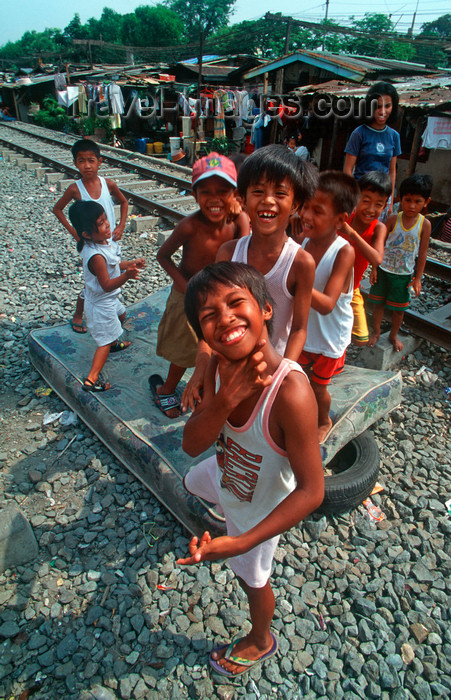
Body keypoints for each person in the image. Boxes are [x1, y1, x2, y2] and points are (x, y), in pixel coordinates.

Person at [178, 261, 324, 678]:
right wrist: (223, 400)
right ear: (203, 332)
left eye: (235, 302)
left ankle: (261, 639)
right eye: (209, 316)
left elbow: (312, 491)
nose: (224, 318)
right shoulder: (217, 365)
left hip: (259, 507)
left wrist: (240, 543)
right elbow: (191, 444)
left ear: (266, 308)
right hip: (231, 474)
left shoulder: (290, 394)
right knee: (193, 478)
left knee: (252, 579)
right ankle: (226, 520)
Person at [181, 145, 318, 413]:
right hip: (228, 364)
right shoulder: (229, 253)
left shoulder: (300, 263)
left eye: (280, 193)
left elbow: (300, 328)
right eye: (258, 192)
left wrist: (284, 375)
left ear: (297, 204)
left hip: (271, 367)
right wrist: (201, 368)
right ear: (242, 199)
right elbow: (209, 317)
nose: (268, 201)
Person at [149, 152, 249, 418]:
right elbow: (163, 256)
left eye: (223, 192)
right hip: (187, 296)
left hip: (221, 297)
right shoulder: (189, 226)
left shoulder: (238, 221)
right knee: (184, 349)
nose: (214, 199)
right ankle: (166, 390)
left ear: (235, 194)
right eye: (206, 192)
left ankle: (207, 386)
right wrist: (185, 287)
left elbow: (248, 251)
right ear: (195, 196)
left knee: (219, 347)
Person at [299, 171, 359, 442]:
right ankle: (302, 414)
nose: (306, 216)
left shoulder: (343, 251)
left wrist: (291, 281)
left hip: (329, 336)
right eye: (305, 207)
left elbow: (326, 304)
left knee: (319, 386)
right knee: (300, 379)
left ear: (341, 220)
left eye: (317, 211)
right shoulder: (304, 242)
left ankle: (324, 420)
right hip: (305, 332)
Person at [53, 139, 129, 334]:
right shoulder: (75, 189)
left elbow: (123, 202)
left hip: (109, 240)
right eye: (81, 161)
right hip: (91, 245)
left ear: (99, 161)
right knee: (93, 283)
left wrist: (120, 225)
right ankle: (80, 314)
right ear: (75, 163)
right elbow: (58, 209)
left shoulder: (108, 184)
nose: (87, 166)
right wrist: (76, 234)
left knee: (109, 274)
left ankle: (109, 310)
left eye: (91, 160)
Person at [68, 201, 145, 392]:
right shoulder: (95, 256)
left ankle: (113, 341)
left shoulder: (101, 243)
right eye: (101, 223)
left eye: (105, 219)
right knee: (103, 344)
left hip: (109, 301)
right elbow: (107, 285)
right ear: (87, 234)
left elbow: (113, 265)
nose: (108, 224)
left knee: (122, 315)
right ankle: (91, 381)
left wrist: (129, 264)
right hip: (101, 304)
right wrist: (126, 276)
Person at [367, 173, 432, 352]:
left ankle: (393, 335)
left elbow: (423, 252)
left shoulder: (424, 225)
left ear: (426, 202)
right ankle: (376, 331)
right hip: (384, 270)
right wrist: (374, 268)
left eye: (417, 201)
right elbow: (379, 243)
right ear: (400, 199)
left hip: (403, 275)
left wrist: (418, 278)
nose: (411, 205)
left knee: (398, 310)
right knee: (378, 304)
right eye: (407, 200)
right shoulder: (393, 219)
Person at [339, 171, 392, 346]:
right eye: (366, 201)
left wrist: (352, 233)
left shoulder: (379, 228)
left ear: (385, 206)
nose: (370, 209)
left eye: (378, 204)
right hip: (325, 282)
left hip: (351, 289)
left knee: (361, 339)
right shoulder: (344, 217)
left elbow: (377, 258)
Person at [344, 82, 401, 219]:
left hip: (381, 199)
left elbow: (392, 170)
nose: (382, 111)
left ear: (393, 107)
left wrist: (390, 199)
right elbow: (347, 170)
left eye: (387, 106)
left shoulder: (394, 136)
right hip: (360, 196)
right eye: (378, 106)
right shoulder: (359, 133)